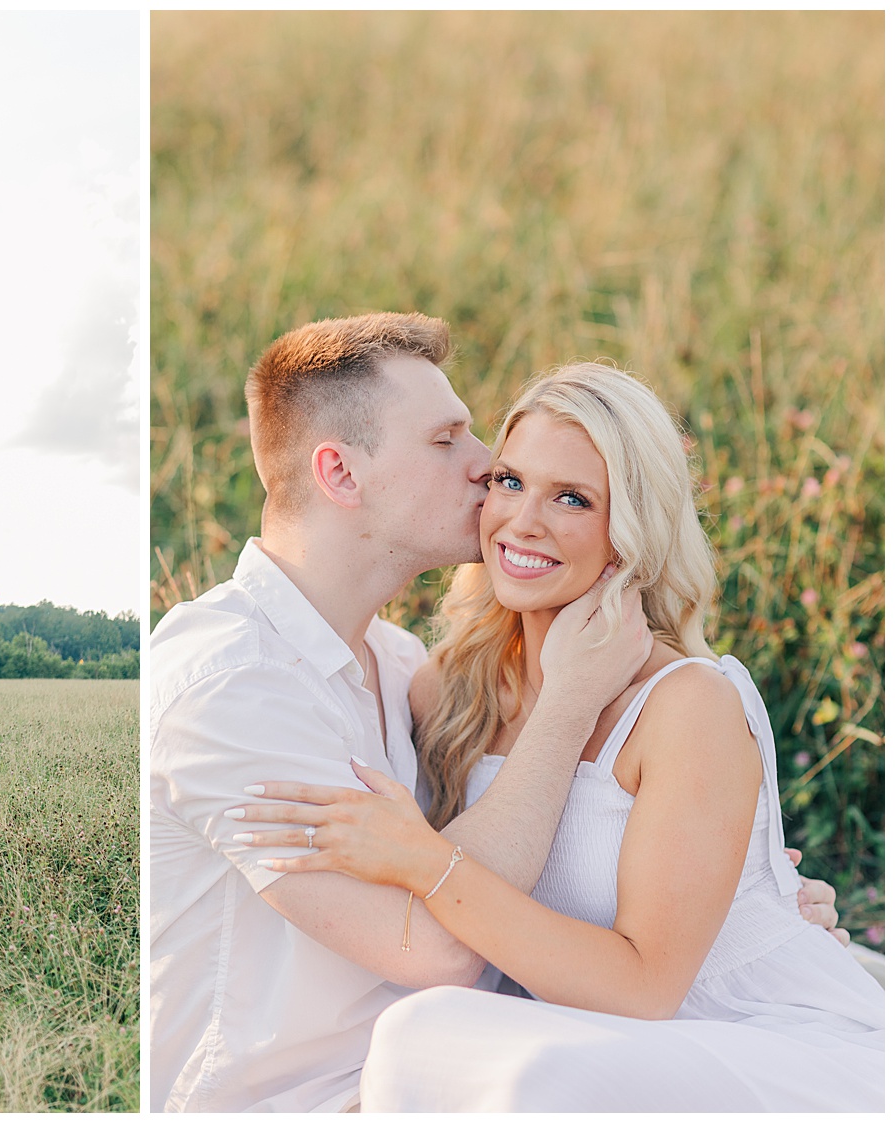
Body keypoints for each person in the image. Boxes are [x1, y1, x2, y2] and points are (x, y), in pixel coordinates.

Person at [149, 313, 848, 1113]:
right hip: (291, 1097)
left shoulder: (398, 669)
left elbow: (606, 926)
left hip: (490, 1061)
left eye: (572, 496)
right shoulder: (234, 683)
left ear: (630, 529)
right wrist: (568, 702)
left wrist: (744, 908)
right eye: (449, 441)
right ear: (339, 473)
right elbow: (449, 942)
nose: (485, 473)